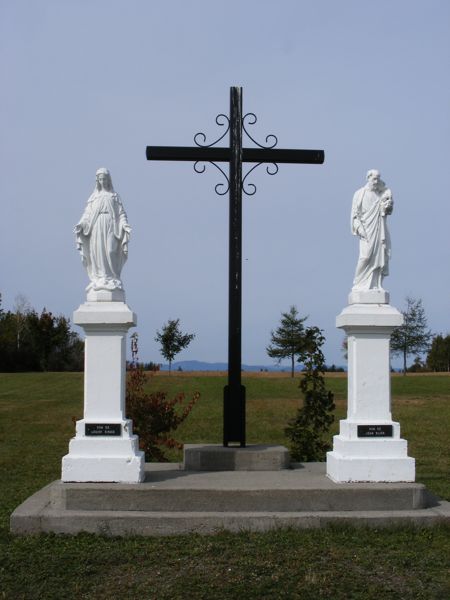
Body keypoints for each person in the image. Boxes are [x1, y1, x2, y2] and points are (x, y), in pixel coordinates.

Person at [75, 168, 131, 292]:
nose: (102, 181)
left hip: (111, 226)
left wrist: (124, 224)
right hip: (96, 226)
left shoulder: (114, 196)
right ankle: (100, 278)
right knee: (98, 252)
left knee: (110, 251)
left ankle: (112, 278)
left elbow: (121, 214)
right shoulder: (94, 197)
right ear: (97, 181)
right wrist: (81, 223)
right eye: (100, 179)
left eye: (104, 179)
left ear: (108, 180)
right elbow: (87, 214)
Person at [351, 169, 393, 291]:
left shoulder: (380, 195)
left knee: (379, 257)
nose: (376, 181)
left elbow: (386, 212)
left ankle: (375, 284)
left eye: (378, 178)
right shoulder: (359, 194)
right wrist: (359, 229)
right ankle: (358, 283)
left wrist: (388, 206)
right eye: (374, 178)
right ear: (368, 178)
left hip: (379, 230)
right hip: (366, 230)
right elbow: (355, 215)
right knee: (365, 256)